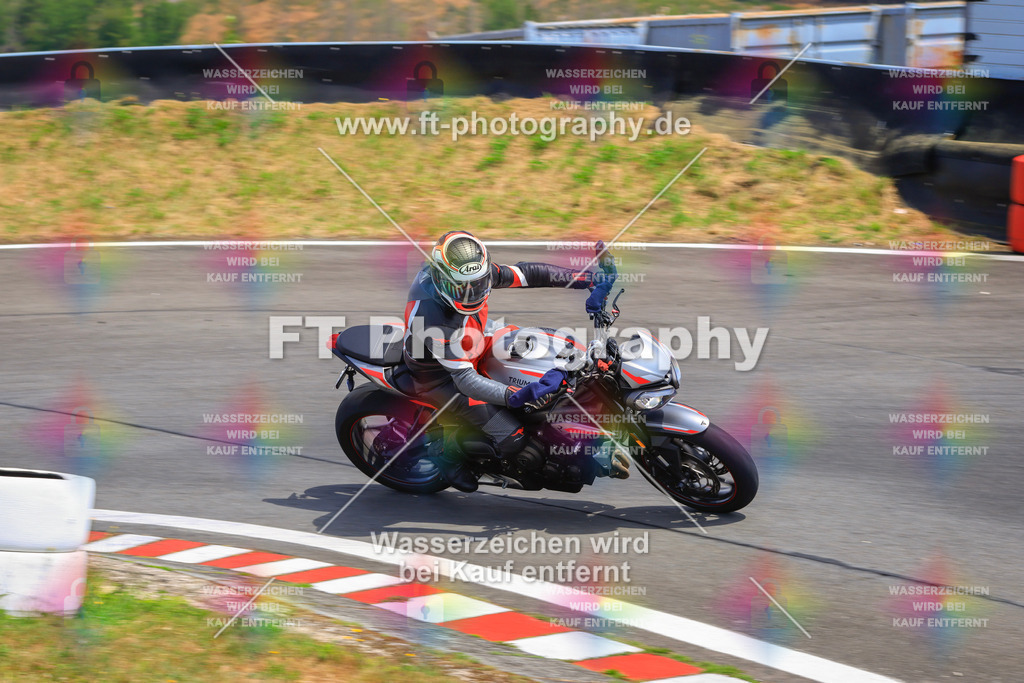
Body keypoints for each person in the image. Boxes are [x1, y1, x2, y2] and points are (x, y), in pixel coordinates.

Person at [402, 230, 613, 492]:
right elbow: (465, 380)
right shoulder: (429, 320)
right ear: (440, 279)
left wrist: (588, 279)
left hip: (477, 335)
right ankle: (448, 455)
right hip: (440, 376)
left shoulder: (473, 274)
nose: (471, 293)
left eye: (478, 284)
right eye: (461, 288)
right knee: (511, 435)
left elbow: (528, 274)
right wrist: (517, 395)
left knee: (553, 344)